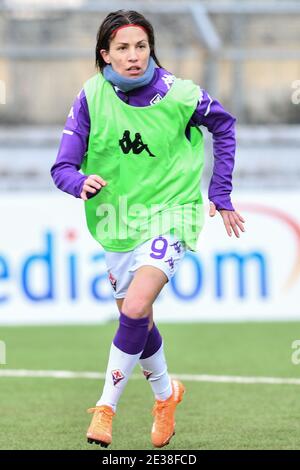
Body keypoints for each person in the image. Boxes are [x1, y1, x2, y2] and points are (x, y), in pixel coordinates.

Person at [51, 9, 245, 449]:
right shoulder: (90, 96)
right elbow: (61, 166)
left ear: (151, 49)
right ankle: (166, 394)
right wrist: (79, 182)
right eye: (122, 48)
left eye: (141, 46)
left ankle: (105, 408)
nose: (134, 56)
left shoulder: (180, 94)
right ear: (105, 54)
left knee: (136, 306)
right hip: (118, 220)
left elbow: (224, 125)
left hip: (173, 212)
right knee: (135, 317)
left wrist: (220, 192)